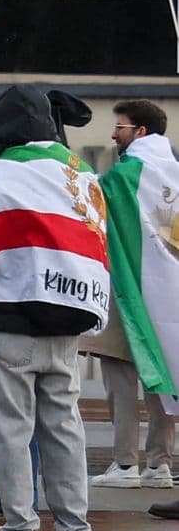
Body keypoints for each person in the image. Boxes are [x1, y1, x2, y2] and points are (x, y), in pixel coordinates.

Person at [0, 82, 103, 531]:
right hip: (68, 314)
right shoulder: (81, 173)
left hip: (10, 318)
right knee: (64, 425)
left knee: (11, 428)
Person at [99, 100, 179, 491]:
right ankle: (160, 463)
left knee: (119, 372)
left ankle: (125, 463)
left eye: (120, 127)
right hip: (171, 288)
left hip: (127, 284)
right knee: (164, 371)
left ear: (140, 132)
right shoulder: (176, 172)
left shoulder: (123, 176)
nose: (114, 134)